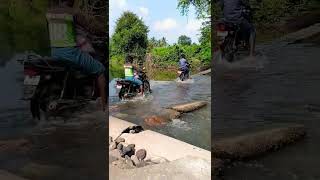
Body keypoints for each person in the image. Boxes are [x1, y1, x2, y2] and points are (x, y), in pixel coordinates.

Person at [45, 0, 106, 111]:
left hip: (54, 52)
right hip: (70, 53)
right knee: (101, 70)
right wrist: (103, 31)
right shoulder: (72, 12)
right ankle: (104, 107)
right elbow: (90, 27)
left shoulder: (49, 12)